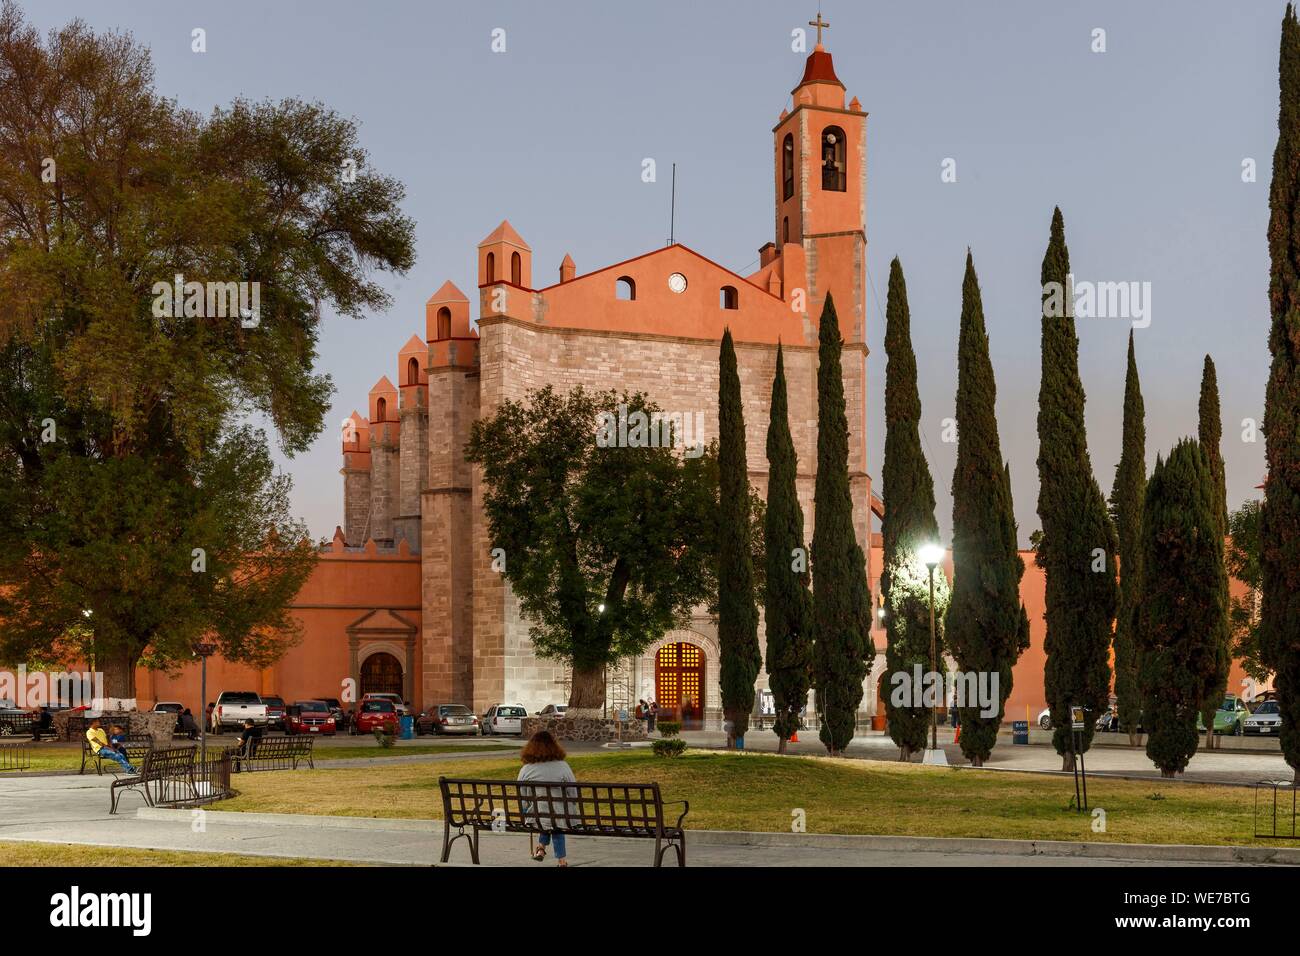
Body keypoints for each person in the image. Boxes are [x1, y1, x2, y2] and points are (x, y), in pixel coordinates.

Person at [517, 730, 577, 867]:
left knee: (545, 816)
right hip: (560, 815)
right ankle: (561, 861)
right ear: (554, 746)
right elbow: (573, 792)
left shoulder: (526, 769)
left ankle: (541, 849)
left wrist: (525, 810)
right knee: (556, 821)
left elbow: (523, 796)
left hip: (537, 816)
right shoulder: (563, 766)